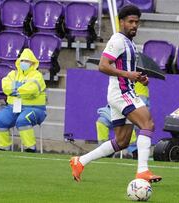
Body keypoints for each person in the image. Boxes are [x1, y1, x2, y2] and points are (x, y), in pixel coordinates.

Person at [70, 5, 162, 183]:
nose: (134, 25)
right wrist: (128, 75)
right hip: (122, 93)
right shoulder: (117, 40)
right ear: (121, 22)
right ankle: (142, 171)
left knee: (122, 141)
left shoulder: (130, 43)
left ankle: (80, 161)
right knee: (147, 124)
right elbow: (103, 65)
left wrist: (138, 78)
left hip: (122, 92)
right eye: (131, 22)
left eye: (137, 22)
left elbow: (123, 70)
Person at [0, 48, 47, 152]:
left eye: (27, 61)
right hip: (13, 108)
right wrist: (21, 89)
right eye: (22, 60)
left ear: (32, 63)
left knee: (23, 120)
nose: (24, 63)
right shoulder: (13, 74)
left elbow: (31, 89)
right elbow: (5, 86)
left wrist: (16, 89)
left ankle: (30, 148)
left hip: (35, 109)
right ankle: (4, 148)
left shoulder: (37, 75)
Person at [96, 82, 150, 159]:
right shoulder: (120, 79)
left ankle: (134, 151)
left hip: (134, 111)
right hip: (118, 109)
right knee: (101, 122)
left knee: (128, 122)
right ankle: (105, 151)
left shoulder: (140, 82)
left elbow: (140, 104)